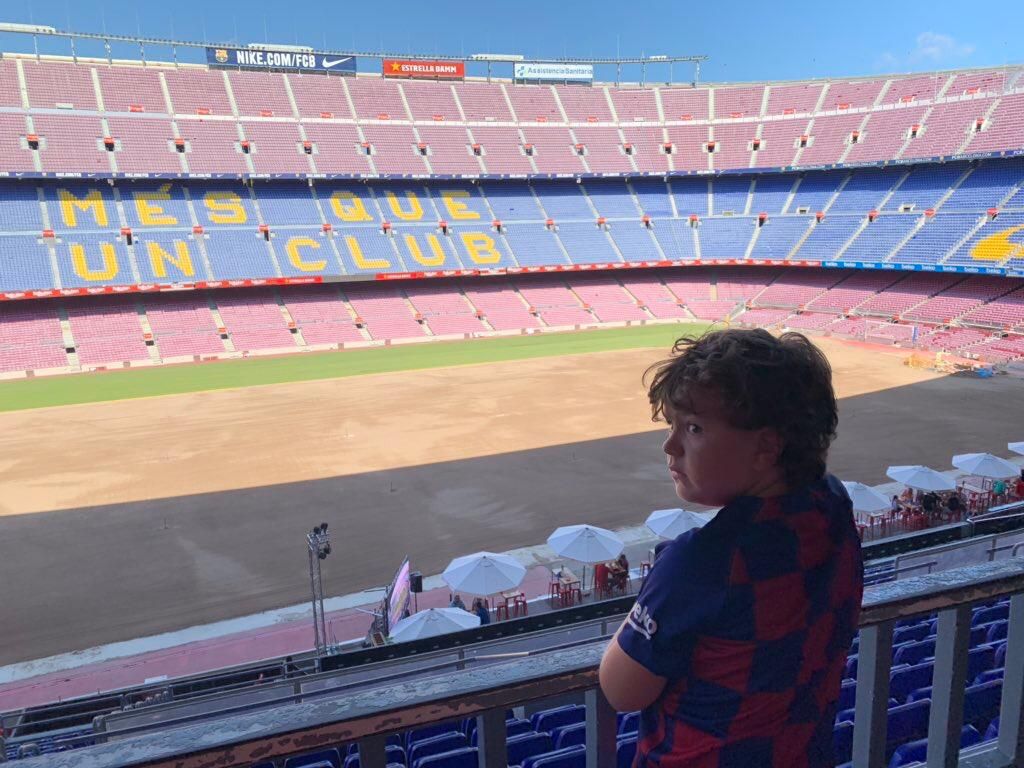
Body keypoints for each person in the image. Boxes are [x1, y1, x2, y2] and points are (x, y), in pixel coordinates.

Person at [599, 329, 863, 767]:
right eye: (673, 426)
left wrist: (661, 584)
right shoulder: (833, 504)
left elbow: (621, 690)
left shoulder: (698, 563)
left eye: (694, 428)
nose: (670, 446)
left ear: (765, 446)